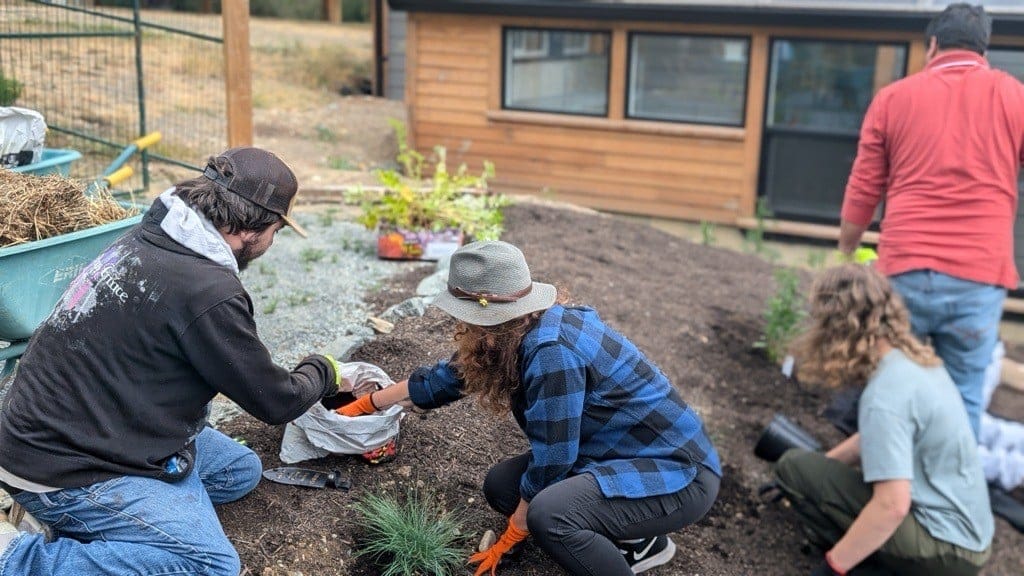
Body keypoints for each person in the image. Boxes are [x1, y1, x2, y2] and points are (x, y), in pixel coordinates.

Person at [0, 147, 348, 575]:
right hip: (64, 466)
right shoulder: (207, 292)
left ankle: (112, 530)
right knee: (208, 564)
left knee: (239, 471)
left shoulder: (157, 235)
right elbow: (275, 402)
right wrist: (324, 370)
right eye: (277, 229)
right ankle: (18, 558)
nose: (273, 242)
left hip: (83, 425)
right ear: (248, 229)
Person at [339, 240, 721, 576]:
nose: (459, 321)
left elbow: (555, 456)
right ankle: (640, 539)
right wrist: (368, 403)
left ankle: (626, 552)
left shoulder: (553, 354)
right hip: (615, 453)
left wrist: (515, 531)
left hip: (676, 470)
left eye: (462, 312)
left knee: (549, 517)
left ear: (486, 316)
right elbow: (448, 378)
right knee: (501, 488)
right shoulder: (518, 327)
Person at [837, 3, 1024, 440]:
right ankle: (949, 499)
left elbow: (864, 187)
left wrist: (846, 249)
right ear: (983, 50)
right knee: (964, 397)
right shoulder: (1014, 97)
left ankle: (880, 489)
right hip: (979, 276)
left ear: (933, 46)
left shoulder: (894, 98)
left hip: (905, 269)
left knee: (888, 386)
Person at [775, 264, 993, 576]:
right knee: (808, 468)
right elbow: (877, 438)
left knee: (794, 467)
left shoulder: (885, 395)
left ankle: (870, 565)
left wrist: (832, 567)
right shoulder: (916, 362)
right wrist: (825, 465)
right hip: (971, 540)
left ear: (838, 329)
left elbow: (892, 506)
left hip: (944, 552)